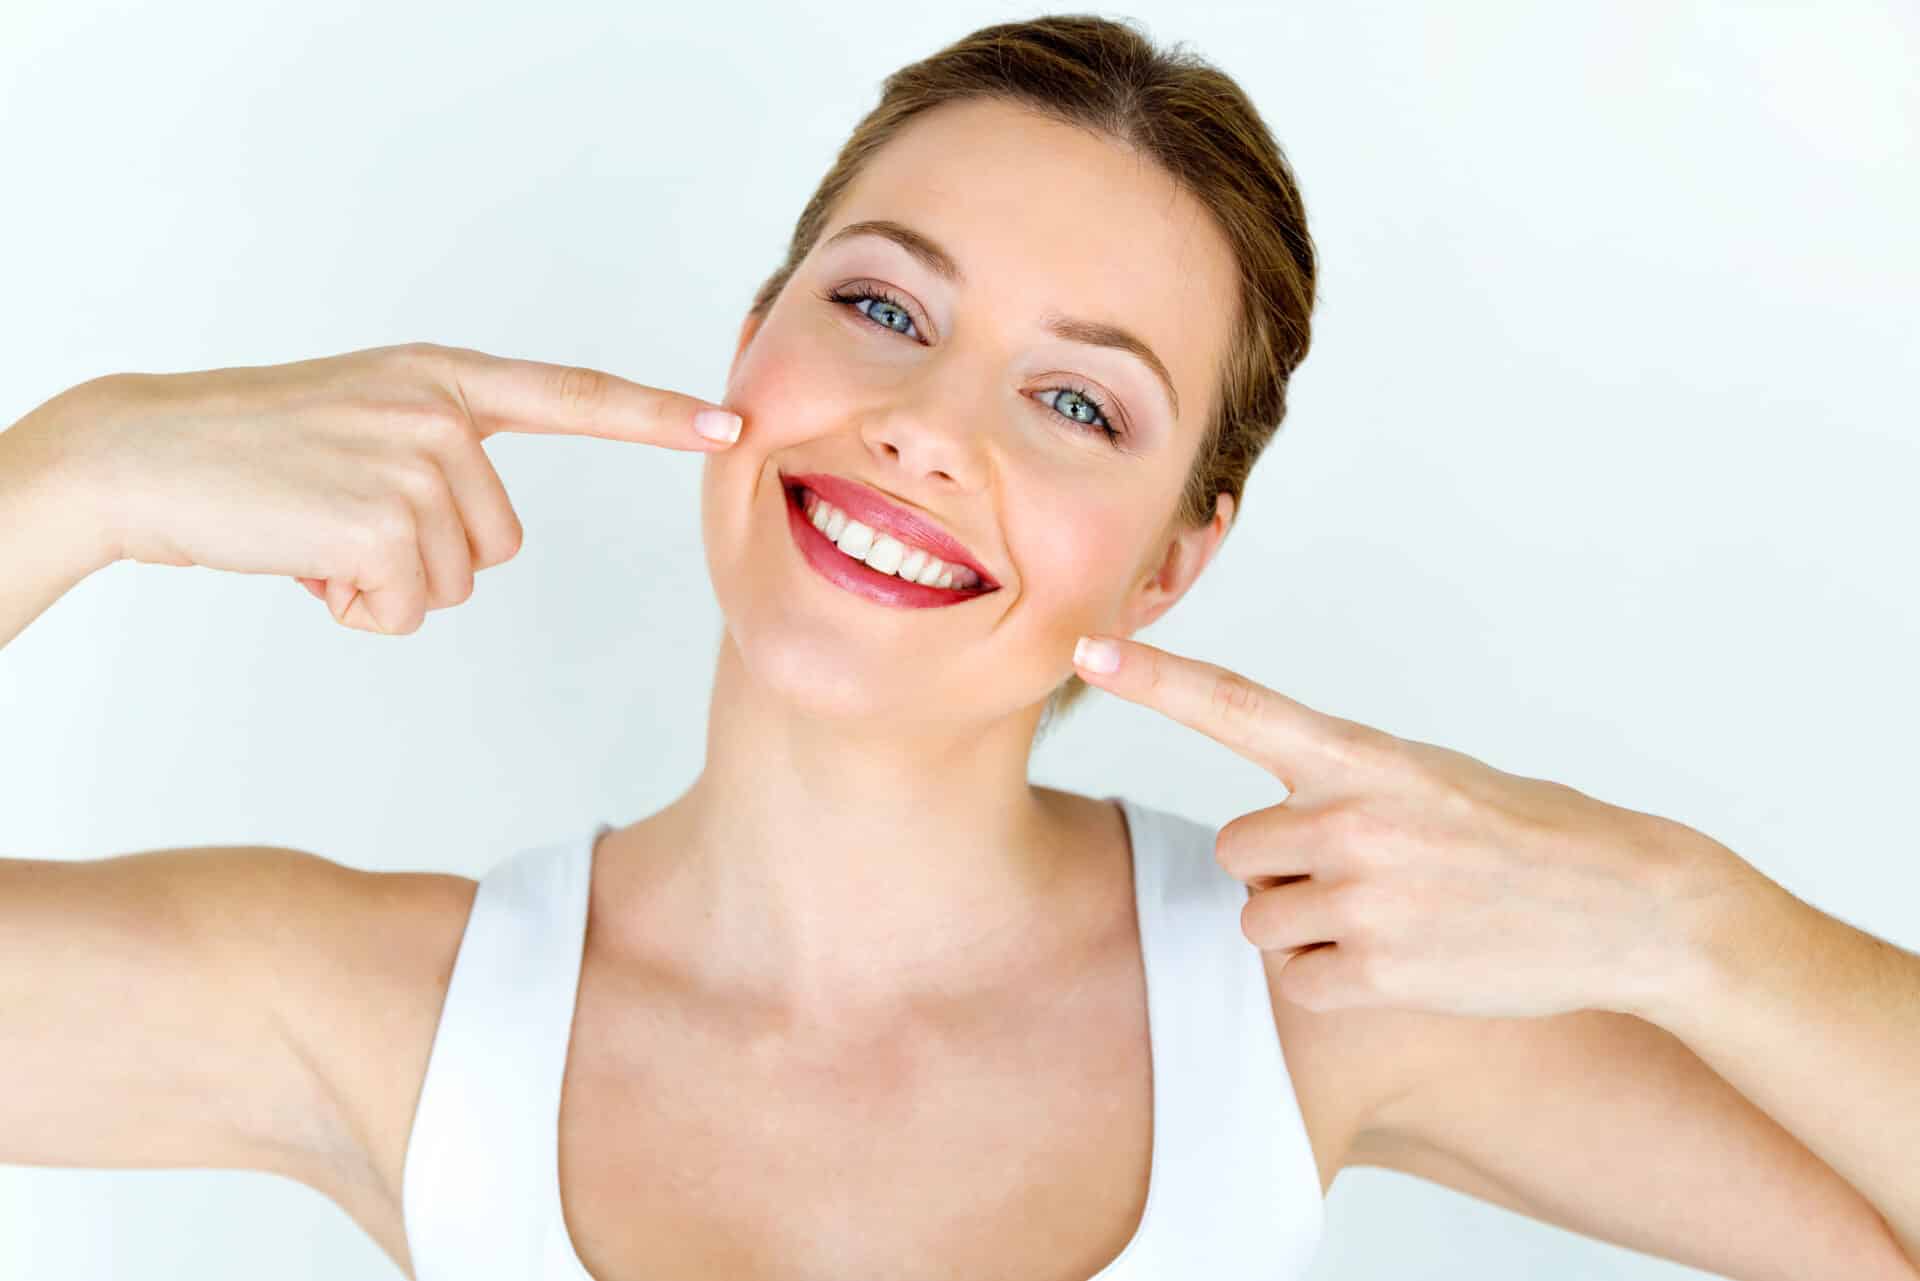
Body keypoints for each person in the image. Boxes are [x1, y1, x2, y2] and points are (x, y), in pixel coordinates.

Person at [1, 14, 1915, 1281]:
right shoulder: (398, 1016)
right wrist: (70, 474)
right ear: (753, 341)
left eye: (1080, 406)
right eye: (882, 307)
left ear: (1174, 561)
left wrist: (1691, 920)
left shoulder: (1307, 997)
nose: (930, 427)